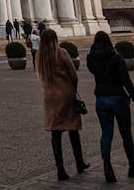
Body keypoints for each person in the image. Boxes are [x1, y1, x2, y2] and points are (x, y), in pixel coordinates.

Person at [36, 28, 88, 181]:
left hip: (50, 97)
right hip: (65, 94)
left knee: (55, 133)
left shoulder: (40, 56)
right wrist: (73, 90)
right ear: (55, 39)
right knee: (73, 129)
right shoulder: (61, 52)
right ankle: (79, 162)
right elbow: (74, 75)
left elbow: (41, 76)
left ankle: (60, 169)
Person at [86, 30, 134, 182]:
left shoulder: (90, 58)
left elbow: (94, 71)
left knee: (106, 133)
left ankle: (107, 166)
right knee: (126, 134)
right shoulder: (116, 57)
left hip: (101, 98)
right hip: (118, 98)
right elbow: (126, 80)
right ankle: (132, 165)